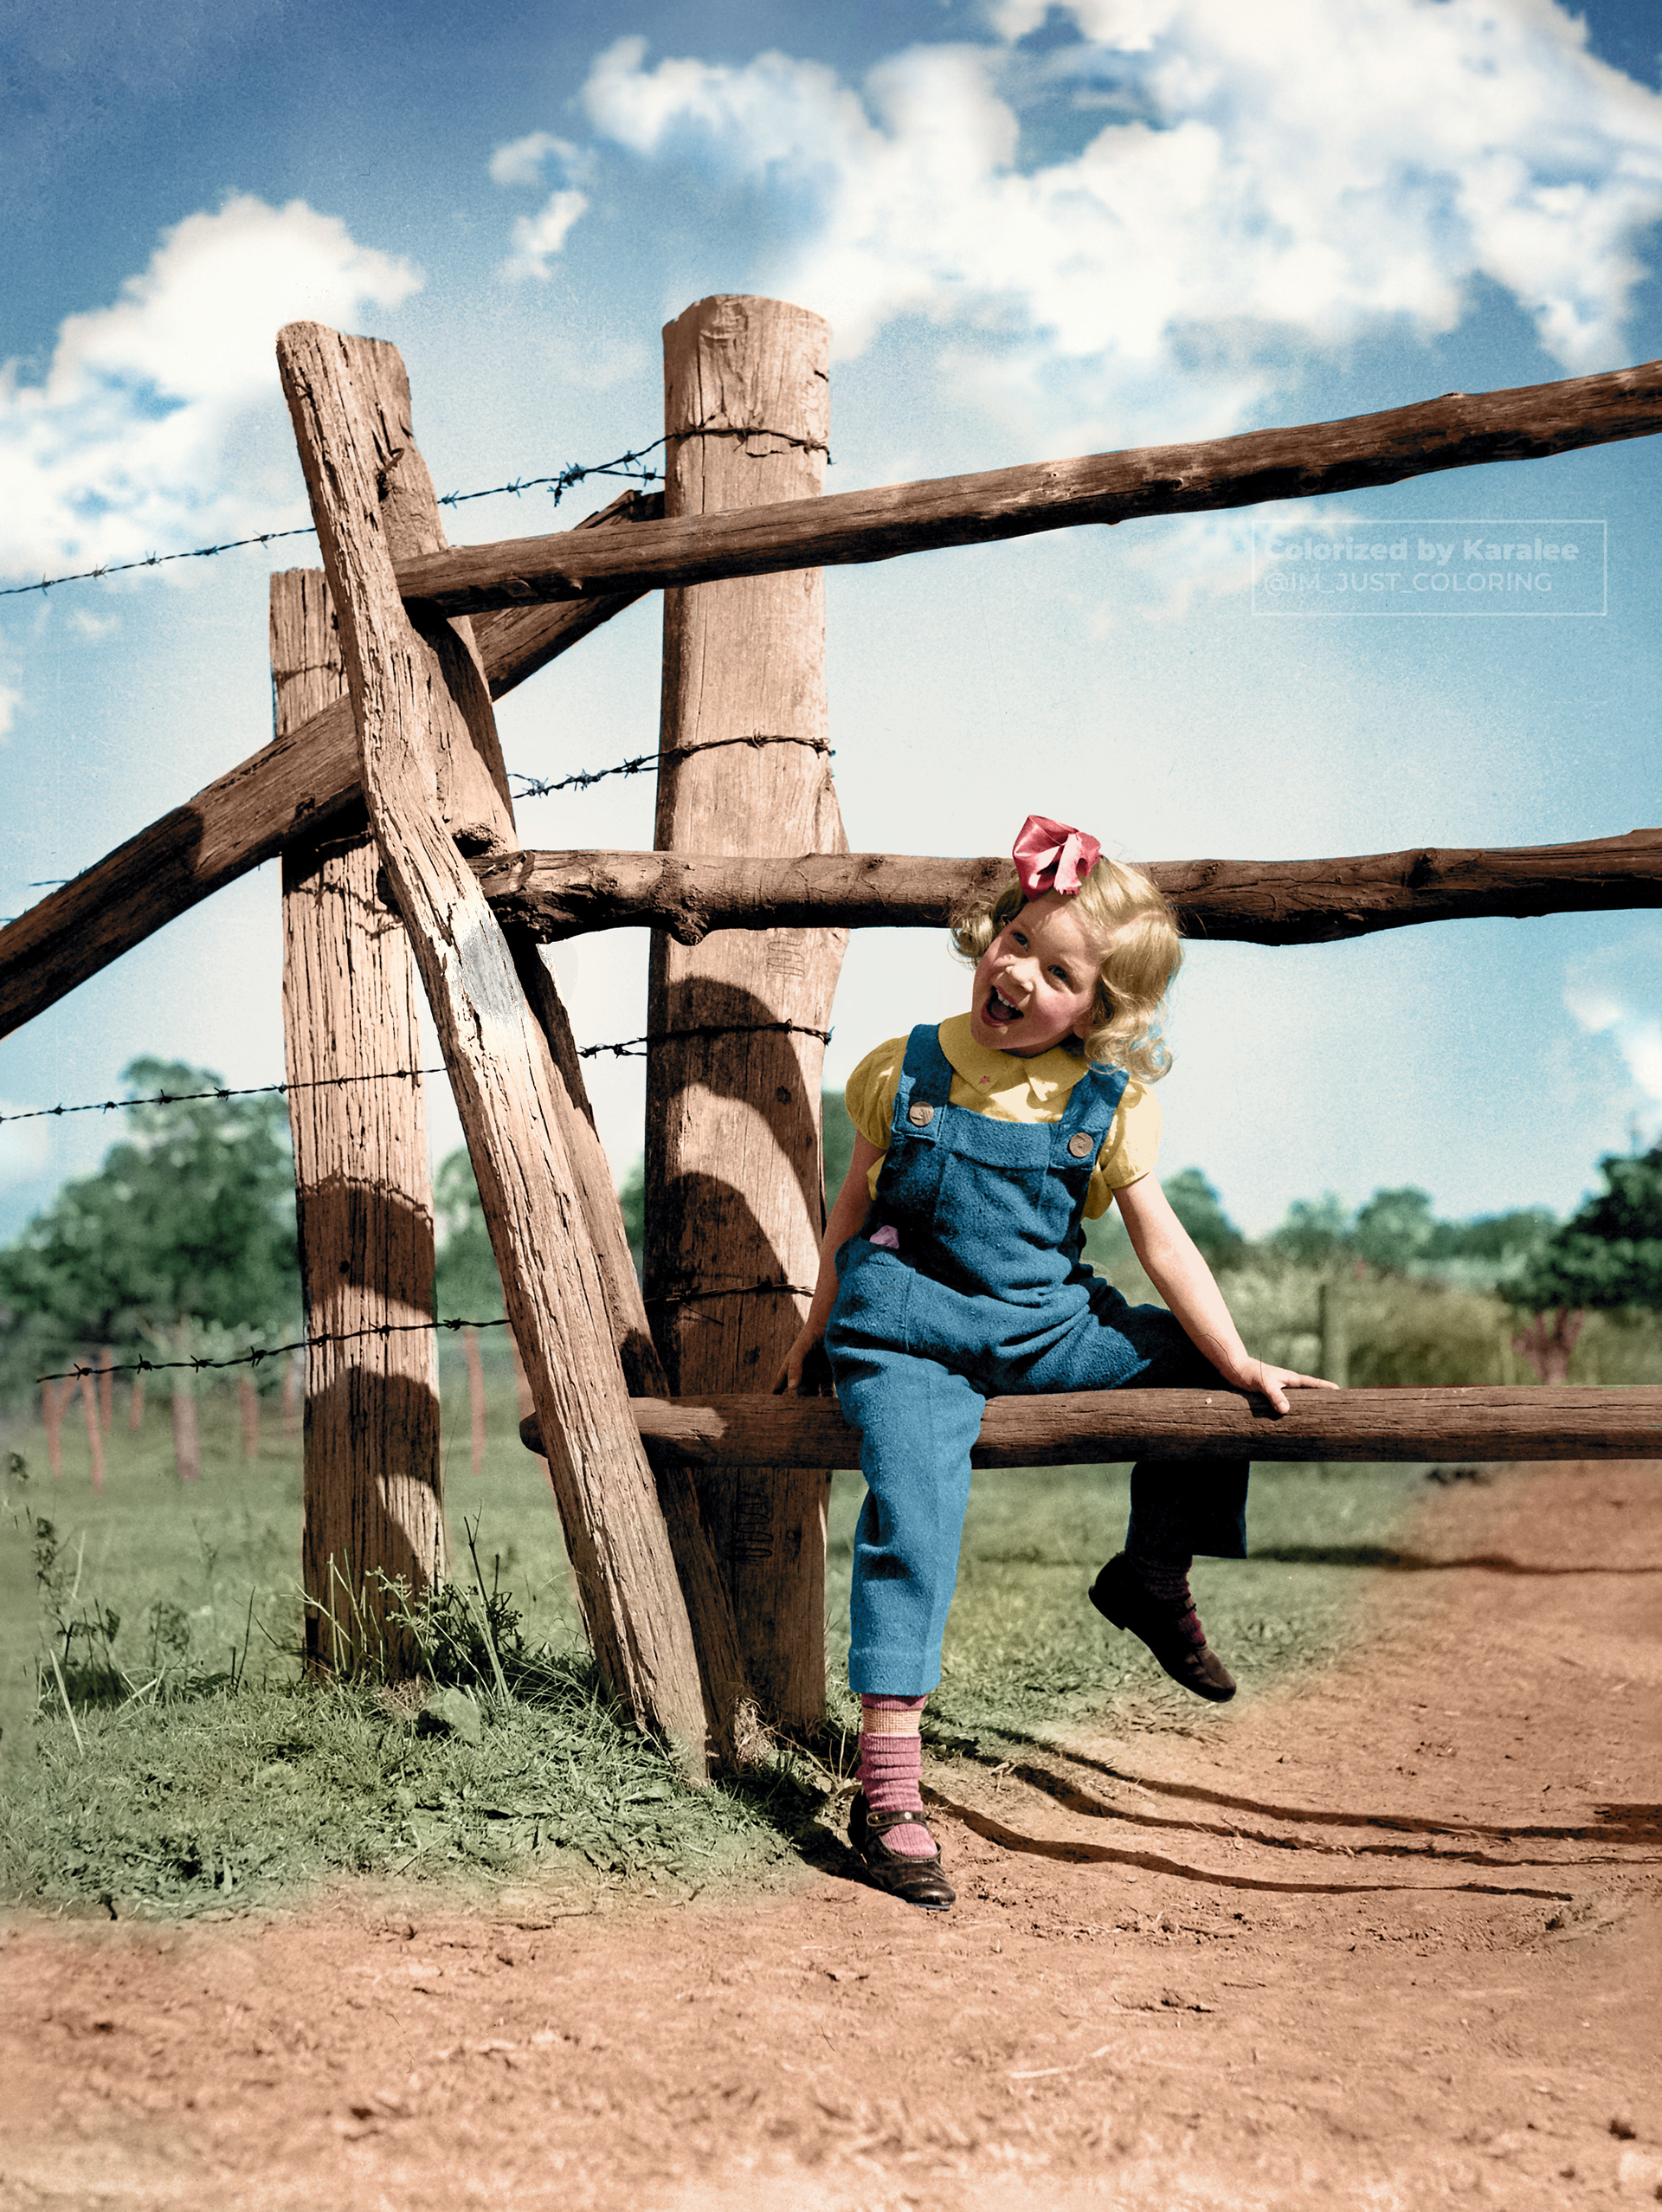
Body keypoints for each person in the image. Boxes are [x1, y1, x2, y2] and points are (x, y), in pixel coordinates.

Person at [776, 816, 1335, 1912]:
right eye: (1016, 939)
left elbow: (1162, 1245)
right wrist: (815, 1327)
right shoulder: (910, 1067)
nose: (1019, 971)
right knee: (914, 1514)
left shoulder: (1106, 1106)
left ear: (1100, 1010)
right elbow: (852, 1208)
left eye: (1057, 968)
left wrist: (1235, 1355)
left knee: (1191, 1371)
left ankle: (1152, 1572)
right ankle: (888, 1788)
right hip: (910, 1327)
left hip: (1041, 1327)